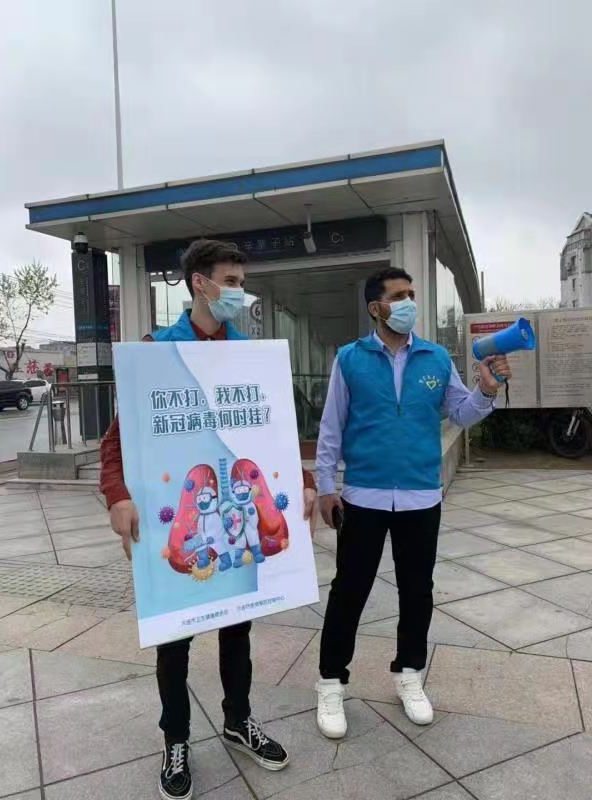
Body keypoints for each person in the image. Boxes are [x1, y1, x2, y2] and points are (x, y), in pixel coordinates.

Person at [100, 239, 319, 800]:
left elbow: (273, 432)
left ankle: (238, 720)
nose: (240, 292)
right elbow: (117, 440)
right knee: (174, 639)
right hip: (184, 518)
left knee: (238, 627)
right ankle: (175, 739)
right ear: (200, 283)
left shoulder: (251, 355)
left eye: (242, 281)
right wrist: (117, 495)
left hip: (238, 516)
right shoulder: (155, 352)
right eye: (232, 281)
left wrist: (304, 481)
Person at [314, 267, 511, 739]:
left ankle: (409, 673)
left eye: (411, 295)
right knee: (350, 590)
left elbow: (459, 412)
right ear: (376, 308)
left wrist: (486, 389)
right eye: (399, 296)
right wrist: (325, 485)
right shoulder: (350, 359)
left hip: (421, 495)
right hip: (363, 495)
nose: (409, 303)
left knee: (417, 590)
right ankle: (331, 682)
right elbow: (331, 426)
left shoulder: (436, 358)